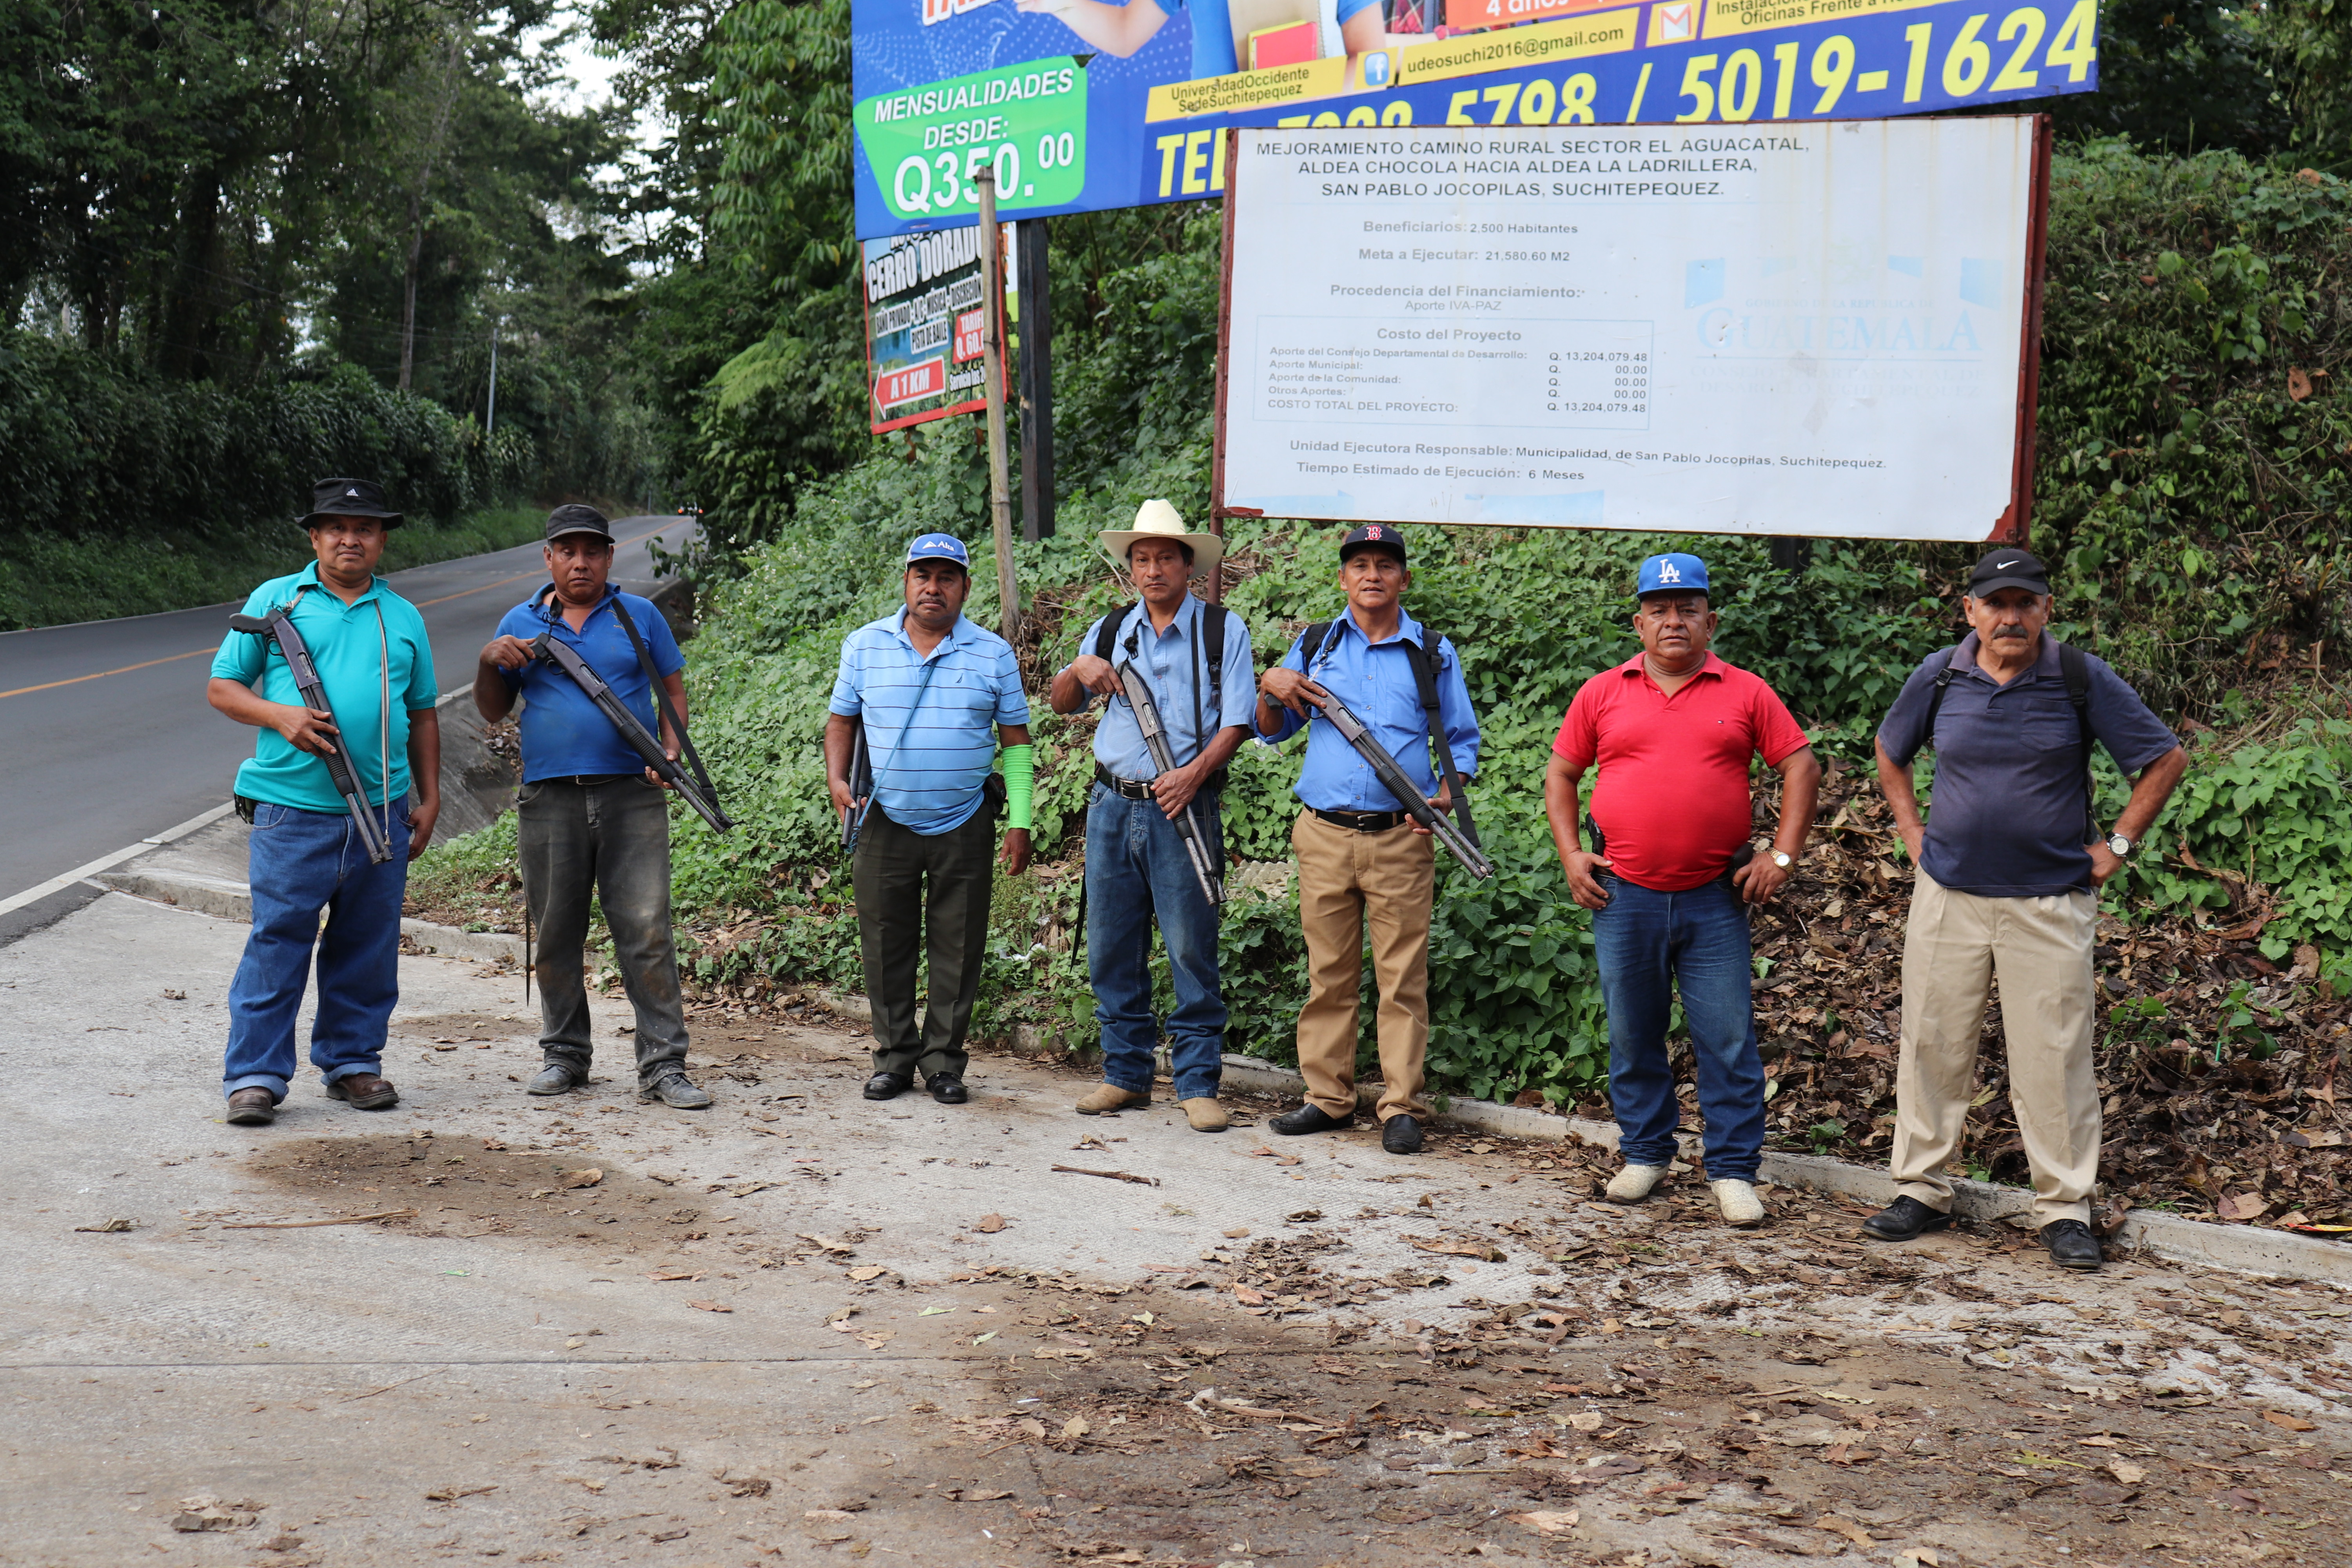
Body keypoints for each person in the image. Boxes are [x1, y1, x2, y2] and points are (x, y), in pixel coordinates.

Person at [1865, 548, 2188, 1271]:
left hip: (2048, 901)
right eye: (1996, 603)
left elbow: (2164, 758)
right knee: (1932, 1041)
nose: (2010, 617)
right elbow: (1890, 752)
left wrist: (2119, 846)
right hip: (1949, 895)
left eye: (2025, 603)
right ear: (1970, 610)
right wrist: (1913, 835)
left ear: (2046, 609)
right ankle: (1921, 1188)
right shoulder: (1942, 674)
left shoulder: (2077, 677)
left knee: (2054, 1053)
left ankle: (2066, 1208)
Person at [1544, 553, 1820, 1227]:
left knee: (1726, 1038)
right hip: (1624, 895)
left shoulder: (1746, 691)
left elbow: (1801, 765)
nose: (1674, 620)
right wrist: (1573, 853)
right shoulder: (1602, 692)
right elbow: (1561, 775)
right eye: (1661, 610)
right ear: (1640, 622)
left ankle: (1731, 1171)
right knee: (1633, 1032)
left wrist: (1782, 856)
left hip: (1715, 896)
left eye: (1688, 608)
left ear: (1710, 621)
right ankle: (1645, 1153)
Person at [209, 478, 441, 1126]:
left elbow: (422, 713)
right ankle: (254, 1077)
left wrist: (431, 796)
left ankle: (353, 1064)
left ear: (382, 540)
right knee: (278, 941)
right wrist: (280, 716)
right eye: (336, 527)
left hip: (384, 811)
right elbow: (223, 688)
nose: (350, 538)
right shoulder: (277, 600)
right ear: (313, 537)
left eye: (364, 528)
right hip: (291, 811)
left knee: (368, 944)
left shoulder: (403, 616)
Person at [473, 504, 711, 1110]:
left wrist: (668, 751)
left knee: (647, 929)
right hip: (550, 799)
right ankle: (565, 1056)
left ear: (609, 556)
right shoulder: (520, 622)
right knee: (555, 933)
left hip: (632, 796)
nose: (581, 562)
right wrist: (488, 660)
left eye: (593, 551)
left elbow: (672, 690)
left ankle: (663, 1065)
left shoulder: (640, 617)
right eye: (568, 551)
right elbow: (494, 710)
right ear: (548, 557)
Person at [1255, 523, 1479, 1156]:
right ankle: (1327, 1099)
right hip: (1323, 834)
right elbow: (1273, 730)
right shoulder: (1317, 644)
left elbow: (1461, 743)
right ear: (1343, 578)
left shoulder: (1432, 651)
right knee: (1328, 974)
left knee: (1401, 978)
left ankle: (1400, 1106)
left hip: (1402, 836)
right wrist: (1270, 687)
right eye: (1360, 565)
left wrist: (1445, 791)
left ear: (1404, 579)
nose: (1372, 575)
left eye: (1385, 565)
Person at [1049, 501, 1255, 1132]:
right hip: (1113, 803)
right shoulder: (1111, 630)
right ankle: (1125, 1075)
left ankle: (1197, 1084)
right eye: (1142, 558)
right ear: (1131, 567)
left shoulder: (1223, 630)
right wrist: (1076, 668)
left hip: (1185, 806)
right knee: (1111, 945)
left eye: (1166, 556)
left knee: (1192, 946)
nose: (1154, 568)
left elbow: (1239, 723)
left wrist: (1193, 775)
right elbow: (1063, 704)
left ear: (1188, 564)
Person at [824, 534, 1033, 1105]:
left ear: (965, 587)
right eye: (923, 576)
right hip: (883, 817)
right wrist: (838, 782)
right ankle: (894, 1058)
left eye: (946, 577)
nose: (932, 588)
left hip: (965, 819)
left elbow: (1015, 743)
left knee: (958, 945)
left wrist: (1021, 819)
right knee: (885, 942)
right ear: (907, 582)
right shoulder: (865, 646)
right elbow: (841, 721)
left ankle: (944, 1063)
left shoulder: (992, 654)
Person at [1016, 0, 1389, 82]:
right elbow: (1125, 33)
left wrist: (1286, 92)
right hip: (1222, 155)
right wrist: (1062, 5)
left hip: (1318, 145)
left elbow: (1374, 66)